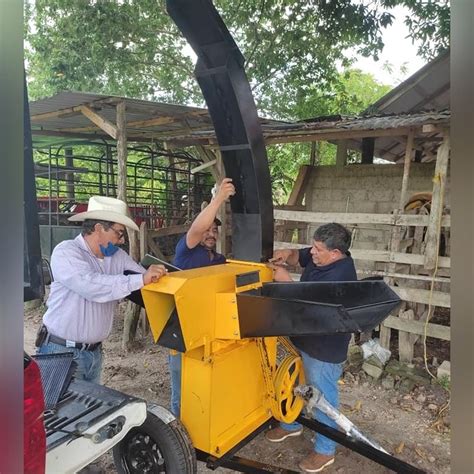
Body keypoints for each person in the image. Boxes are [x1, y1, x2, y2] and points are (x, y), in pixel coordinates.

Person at [36, 196, 167, 384]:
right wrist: (141, 279)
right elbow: (91, 286)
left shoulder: (117, 256)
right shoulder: (66, 252)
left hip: (94, 353)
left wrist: (159, 278)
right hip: (61, 353)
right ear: (98, 228)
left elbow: (143, 276)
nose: (121, 240)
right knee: (60, 411)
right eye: (119, 233)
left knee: (90, 411)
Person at [265, 222, 357, 473]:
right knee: (293, 381)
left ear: (336, 253)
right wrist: (287, 253)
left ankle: (325, 450)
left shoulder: (341, 278)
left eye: (317, 249)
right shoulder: (323, 257)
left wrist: (286, 282)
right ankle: (291, 423)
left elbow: (307, 307)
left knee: (321, 396)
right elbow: (300, 256)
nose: (312, 252)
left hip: (324, 348)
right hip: (304, 337)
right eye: (313, 246)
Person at [169, 177, 235, 416]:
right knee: (181, 384)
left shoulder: (218, 261)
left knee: (203, 381)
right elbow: (196, 229)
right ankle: (177, 431)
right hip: (182, 328)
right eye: (208, 229)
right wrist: (218, 199)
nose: (211, 233)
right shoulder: (186, 250)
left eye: (215, 230)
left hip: (206, 329)